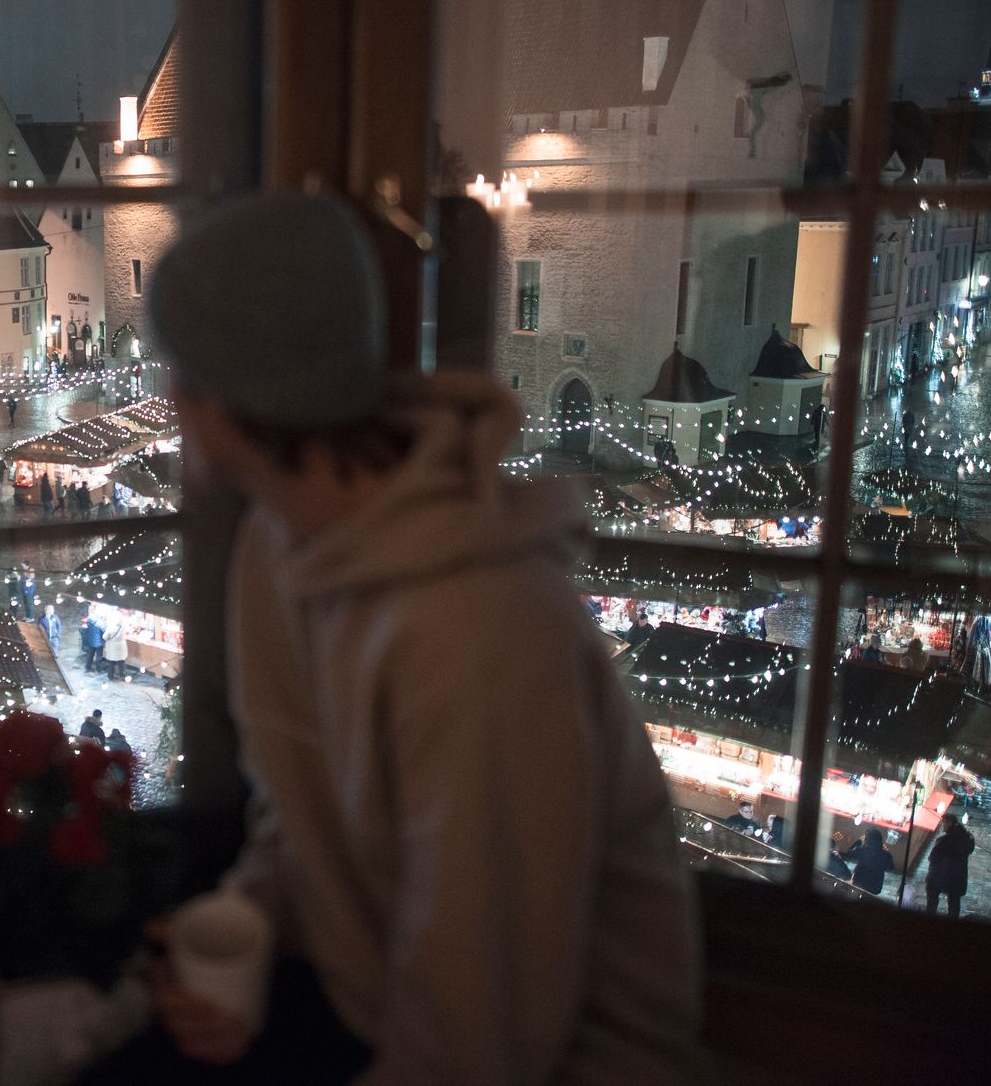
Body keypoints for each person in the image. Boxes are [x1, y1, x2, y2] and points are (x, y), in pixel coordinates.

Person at [105, 191, 702, 1083]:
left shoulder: (478, 633)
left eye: (175, 373)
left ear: (220, 400)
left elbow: (479, 1042)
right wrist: (248, 931)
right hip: (367, 998)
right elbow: (301, 806)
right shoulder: (281, 543)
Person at [924, 812, 975, 917]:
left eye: (944, 822)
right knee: (954, 904)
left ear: (950, 823)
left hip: (940, 876)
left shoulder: (944, 840)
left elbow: (933, 858)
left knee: (932, 900)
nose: (943, 825)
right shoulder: (967, 839)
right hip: (957, 877)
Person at [849, 829, 894, 896]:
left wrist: (859, 841)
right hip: (875, 887)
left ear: (867, 839)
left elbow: (848, 853)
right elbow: (891, 868)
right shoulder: (886, 855)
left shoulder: (861, 850)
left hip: (859, 882)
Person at [101, 608, 129, 682]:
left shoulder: (111, 627)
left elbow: (104, 637)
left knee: (111, 662)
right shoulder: (124, 623)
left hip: (112, 647)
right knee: (121, 661)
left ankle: (110, 676)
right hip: (121, 645)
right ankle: (122, 675)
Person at [81, 608, 107, 675]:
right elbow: (105, 630)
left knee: (90, 654)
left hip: (91, 640)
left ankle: (88, 667)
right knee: (99, 656)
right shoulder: (100, 622)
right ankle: (98, 669)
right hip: (99, 642)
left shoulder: (90, 619)